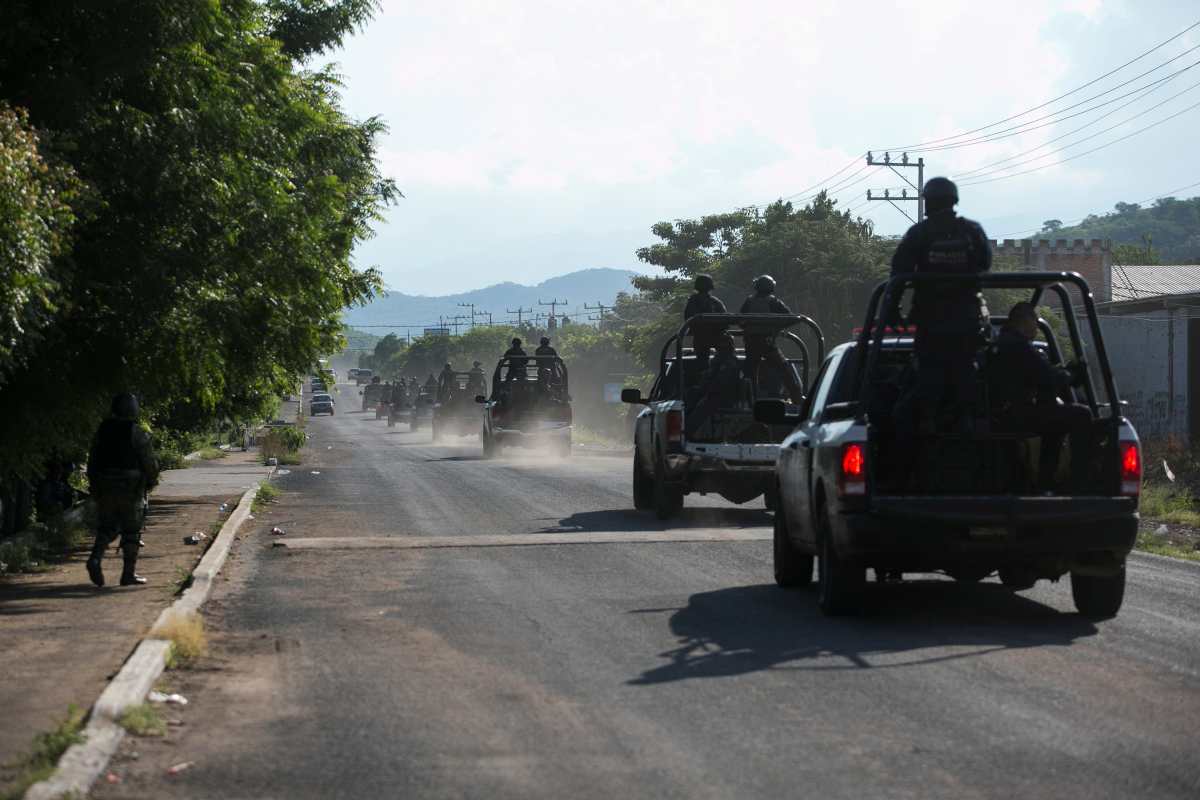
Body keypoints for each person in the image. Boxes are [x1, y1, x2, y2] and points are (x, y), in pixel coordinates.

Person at [890, 177, 992, 435]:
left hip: (931, 322)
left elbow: (898, 273)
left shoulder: (919, 233)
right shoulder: (972, 231)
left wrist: (892, 309)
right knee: (967, 369)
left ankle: (928, 422)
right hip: (968, 321)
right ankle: (967, 420)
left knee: (928, 373)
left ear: (929, 202)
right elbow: (985, 265)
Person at [989, 302, 1093, 491]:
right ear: (1025, 320)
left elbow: (1039, 374)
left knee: (1054, 421)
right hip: (1015, 415)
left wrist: (1060, 374)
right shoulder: (1017, 345)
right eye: (1035, 321)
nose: (1036, 327)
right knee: (1082, 415)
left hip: (1005, 413)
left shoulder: (1004, 342)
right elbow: (1047, 377)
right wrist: (1069, 374)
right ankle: (1080, 480)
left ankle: (1046, 479)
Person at [86, 393, 159, 587]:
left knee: (107, 526)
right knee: (131, 531)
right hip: (130, 488)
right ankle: (128, 574)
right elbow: (149, 462)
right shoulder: (136, 432)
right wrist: (151, 481)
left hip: (104, 486)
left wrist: (94, 485)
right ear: (133, 409)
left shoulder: (102, 431)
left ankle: (95, 558)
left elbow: (92, 461)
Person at [738, 275, 804, 402]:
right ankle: (797, 399)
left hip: (751, 342)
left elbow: (740, 320)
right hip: (767, 343)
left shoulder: (749, 301)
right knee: (784, 369)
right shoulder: (773, 301)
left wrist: (749, 328)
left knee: (749, 373)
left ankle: (748, 400)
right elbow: (790, 318)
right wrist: (776, 328)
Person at [685, 335, 743, 436]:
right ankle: (685, 426)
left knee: (700, 407)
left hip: (723, 397)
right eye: (720, 345)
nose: (721, 348)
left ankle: (687, 433)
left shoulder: (730, 363)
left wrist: (705, 388)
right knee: (692, 394)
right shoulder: (719, 361)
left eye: (724, 345)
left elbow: (721, 383)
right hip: (716, 395)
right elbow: (710, 378)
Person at [684, 275, 728, 368]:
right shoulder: (695, 301)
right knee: (703, 361)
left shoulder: (714, 301)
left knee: (723, 355)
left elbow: (725, 318)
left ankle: (715, 370)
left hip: (713, 335)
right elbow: (689, 318)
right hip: (702, 335)